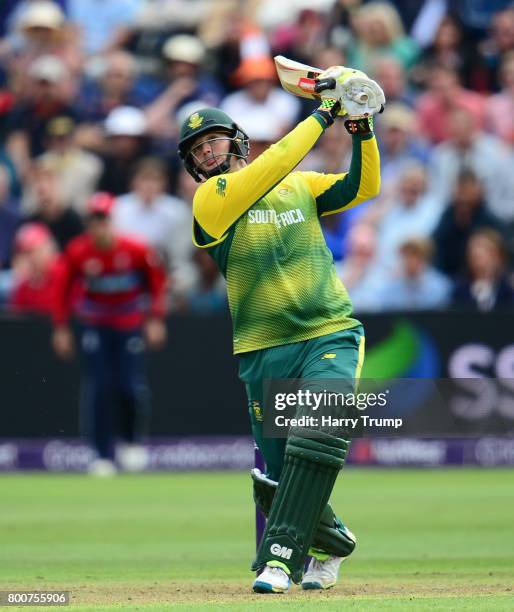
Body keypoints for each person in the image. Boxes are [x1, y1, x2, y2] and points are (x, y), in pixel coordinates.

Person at [177, 67, 383, 593]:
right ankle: (332, 542)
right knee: (276, 476)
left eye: (213, 140)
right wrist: (325, 112)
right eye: (196, 150)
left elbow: (364, 185)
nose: (206, 153)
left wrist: (360, 127)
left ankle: (279, 560)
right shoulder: (211, 203)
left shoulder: (298, 186)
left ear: (236, 140)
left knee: (315, 436)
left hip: (328, 331)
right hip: (262, 348)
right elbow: (274, 164)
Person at [51, 192, 168, 475]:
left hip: (128, 325)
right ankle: (101, 454)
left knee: (129, 386)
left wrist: (155, 319)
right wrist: (61, 328)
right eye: (94, 220)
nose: (99, 226)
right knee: (99, 388)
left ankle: (130, 443)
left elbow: (157, 282)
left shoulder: (135, 249)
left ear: (112, 221)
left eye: (103, 220)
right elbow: (60, 289)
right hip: (95, 326)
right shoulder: (78, 252)